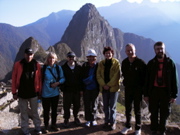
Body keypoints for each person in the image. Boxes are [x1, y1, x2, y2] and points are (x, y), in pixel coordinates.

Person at [144, 41, 178, 135]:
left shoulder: (170, 63)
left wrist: (174, 95)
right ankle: (154, 130)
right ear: (154, 50)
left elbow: (174, 80)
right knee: (153, 112)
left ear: (164, 49)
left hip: (165, 91)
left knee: (165, 112)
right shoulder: (151, 63)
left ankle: (162, 130)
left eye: (161, 48)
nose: (160, 50)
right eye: (158, 49)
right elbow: (147, 80)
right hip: (154, 90)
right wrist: (146, 94)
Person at [12, 48, 42, 135]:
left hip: (33, 92)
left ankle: (37, 127)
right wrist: (14, 92)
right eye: (27, 54)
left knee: (35, 112)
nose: (29, 56)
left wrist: (39, 92)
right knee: (23, 112)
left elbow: (39, 79)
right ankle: (25, 129)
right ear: (24, 54)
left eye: (30, 54)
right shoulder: (18, 64)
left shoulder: (36, 65)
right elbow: (14, 78)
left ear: (33, 55)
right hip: (22, 92)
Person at [120, 43, 146, 135]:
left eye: (131, 50)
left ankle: (138, 127)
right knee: (128, 109)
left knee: (137, 109)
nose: (130, 52)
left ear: (135, 50)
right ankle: (128, 125)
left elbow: (145, 78)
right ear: (125, 52)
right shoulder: (124, 63)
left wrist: (144, 92)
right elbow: (124, 74)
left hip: (138, 90)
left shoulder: (141, 63)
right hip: (128, 89)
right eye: (128, 50)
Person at [96, 46, 121, 130]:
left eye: (109, 53)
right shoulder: (101, 63)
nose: (108, 54)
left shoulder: (116, 63)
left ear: (112, 54)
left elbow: (117, 76)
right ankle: (106, 121)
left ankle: (113, 122)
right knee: (106, 106)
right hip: (104, 89)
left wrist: (109, 85)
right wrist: (103, 85)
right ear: (104, 54)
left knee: (112, 107)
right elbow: (98, 75)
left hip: (113, 89)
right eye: (106, 53)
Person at [41, 52, 65, 133]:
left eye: (53, 58)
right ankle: (46, 126)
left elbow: (63, 78)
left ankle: (54, 124)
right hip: (45, 93)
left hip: (55, 93)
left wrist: (57, 83)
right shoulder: (43, 68)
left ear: (55, 59)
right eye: (50, 58)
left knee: (54, 110)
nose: (51, 60)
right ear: (47, 59)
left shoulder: (58, 68)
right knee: (46, 110)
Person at [61, 52, 83, 128]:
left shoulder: (78, 67)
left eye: (73, 57)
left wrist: (81, 89)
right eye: (70, 57)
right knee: (66, 105)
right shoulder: (63, 68)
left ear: (75, 58)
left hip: (76, 90)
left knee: (77, 105)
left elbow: (81, 79)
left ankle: (76, 117)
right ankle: (66, 119)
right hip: (67, 90)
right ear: (67, 58)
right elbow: (61, 78)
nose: (71, 58)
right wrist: (62, 88)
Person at [82, 49, 99, 127]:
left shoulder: (98, 66)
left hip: (95, 88)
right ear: (87, 58)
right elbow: (81, 77)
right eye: (90, 57)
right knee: (87, 104)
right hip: (87, 89)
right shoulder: (85, 66)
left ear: (95, 57)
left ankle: (93, 119)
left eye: (93, 57)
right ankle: (88, 120)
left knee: (94, 104)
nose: (91, 58)